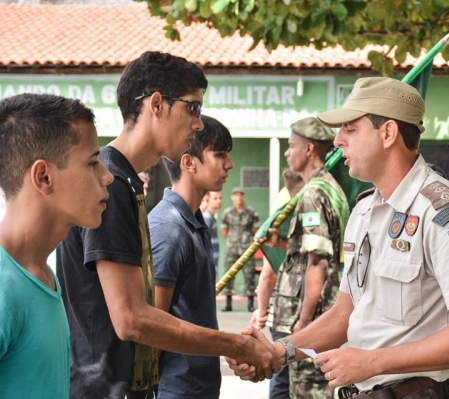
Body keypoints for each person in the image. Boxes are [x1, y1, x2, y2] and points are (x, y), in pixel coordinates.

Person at [229, 77, 449, 399]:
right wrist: (280, 350)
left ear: (387, 133)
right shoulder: (365, 210)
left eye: (350, 129)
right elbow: (345, 314)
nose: (338, 140)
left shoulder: (446, 214)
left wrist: (373, 361)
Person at [56, 51, 278, 399]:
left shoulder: (127, 181)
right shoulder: (110, 183)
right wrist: (237, 345)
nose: (199, 123)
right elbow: (133, 320)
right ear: (156, 104)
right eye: (193, 107)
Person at [0, 93, 113, 398]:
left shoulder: (42, 275)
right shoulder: (4, 286)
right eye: (92, 163)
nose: (107, 176)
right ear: (44, 176)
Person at [258, 117, 349, 399]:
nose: (287, 153)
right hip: (324, 313)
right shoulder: (331, 188)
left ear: (309, 149)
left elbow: (318, 263)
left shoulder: (312, 194)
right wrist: (283, 243)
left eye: (291, 146)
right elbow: (317, 251)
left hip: (313, 318)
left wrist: (305, 320)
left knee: (309, 391)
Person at [149, 115, 234, 399]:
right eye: (219, 155)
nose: (228, 164)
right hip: (175, 389)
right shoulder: (168, 227)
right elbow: (154, 329)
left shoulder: (193, 221)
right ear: (189, 162)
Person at [251, 168, 306, 399]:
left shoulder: (286, 200)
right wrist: (263, 310)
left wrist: (262, 310)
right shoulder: (297, 204)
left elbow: (268, 274)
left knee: (283, 376)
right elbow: (268, 273)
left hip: (286, 310)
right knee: (288, 377)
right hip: (294, 310)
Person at [221, 187, 261, 312]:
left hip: (247, 247)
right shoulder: (227, 212)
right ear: (232, 197)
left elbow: (256, 229)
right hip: (232, 247)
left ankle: (250, 303)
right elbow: (224, 230)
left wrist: (246, 239)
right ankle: (228, 303)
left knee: (249, 275)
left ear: (244, 197)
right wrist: (232, 240)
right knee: (229, 274)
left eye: (241, 195)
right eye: (236, 195)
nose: (238, 197)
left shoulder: (251, 212)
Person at [203, 190, 223, 282]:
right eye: (215, 198)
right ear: (207, 200)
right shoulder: (207, 218)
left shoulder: (211, 217)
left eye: (220, 198)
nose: (219, 201)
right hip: (208, 259)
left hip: (213, 258)